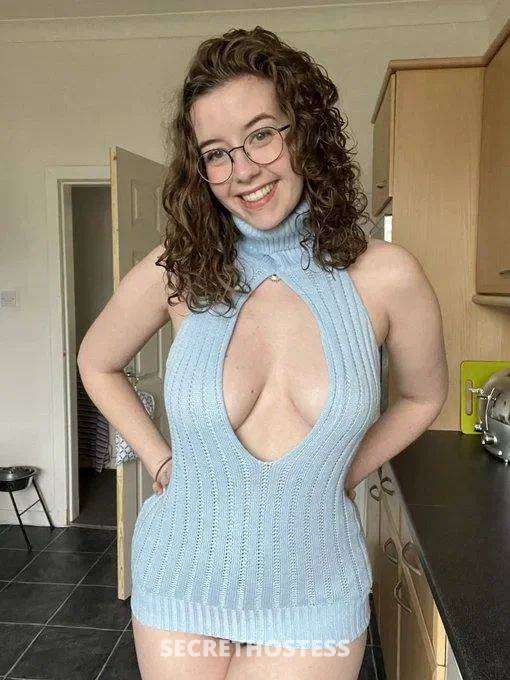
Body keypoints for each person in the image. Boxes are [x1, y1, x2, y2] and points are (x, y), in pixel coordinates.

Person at [77, 25, 448, 680]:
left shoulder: (388, 276)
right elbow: (95, 360)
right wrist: (160, 458)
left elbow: (424, 397)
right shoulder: (180, 267)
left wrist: (345, 469)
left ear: (305, 131)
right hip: (181, 577)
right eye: (216, 152)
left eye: (261, 134)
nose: (242, 169)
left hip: (315, 586)